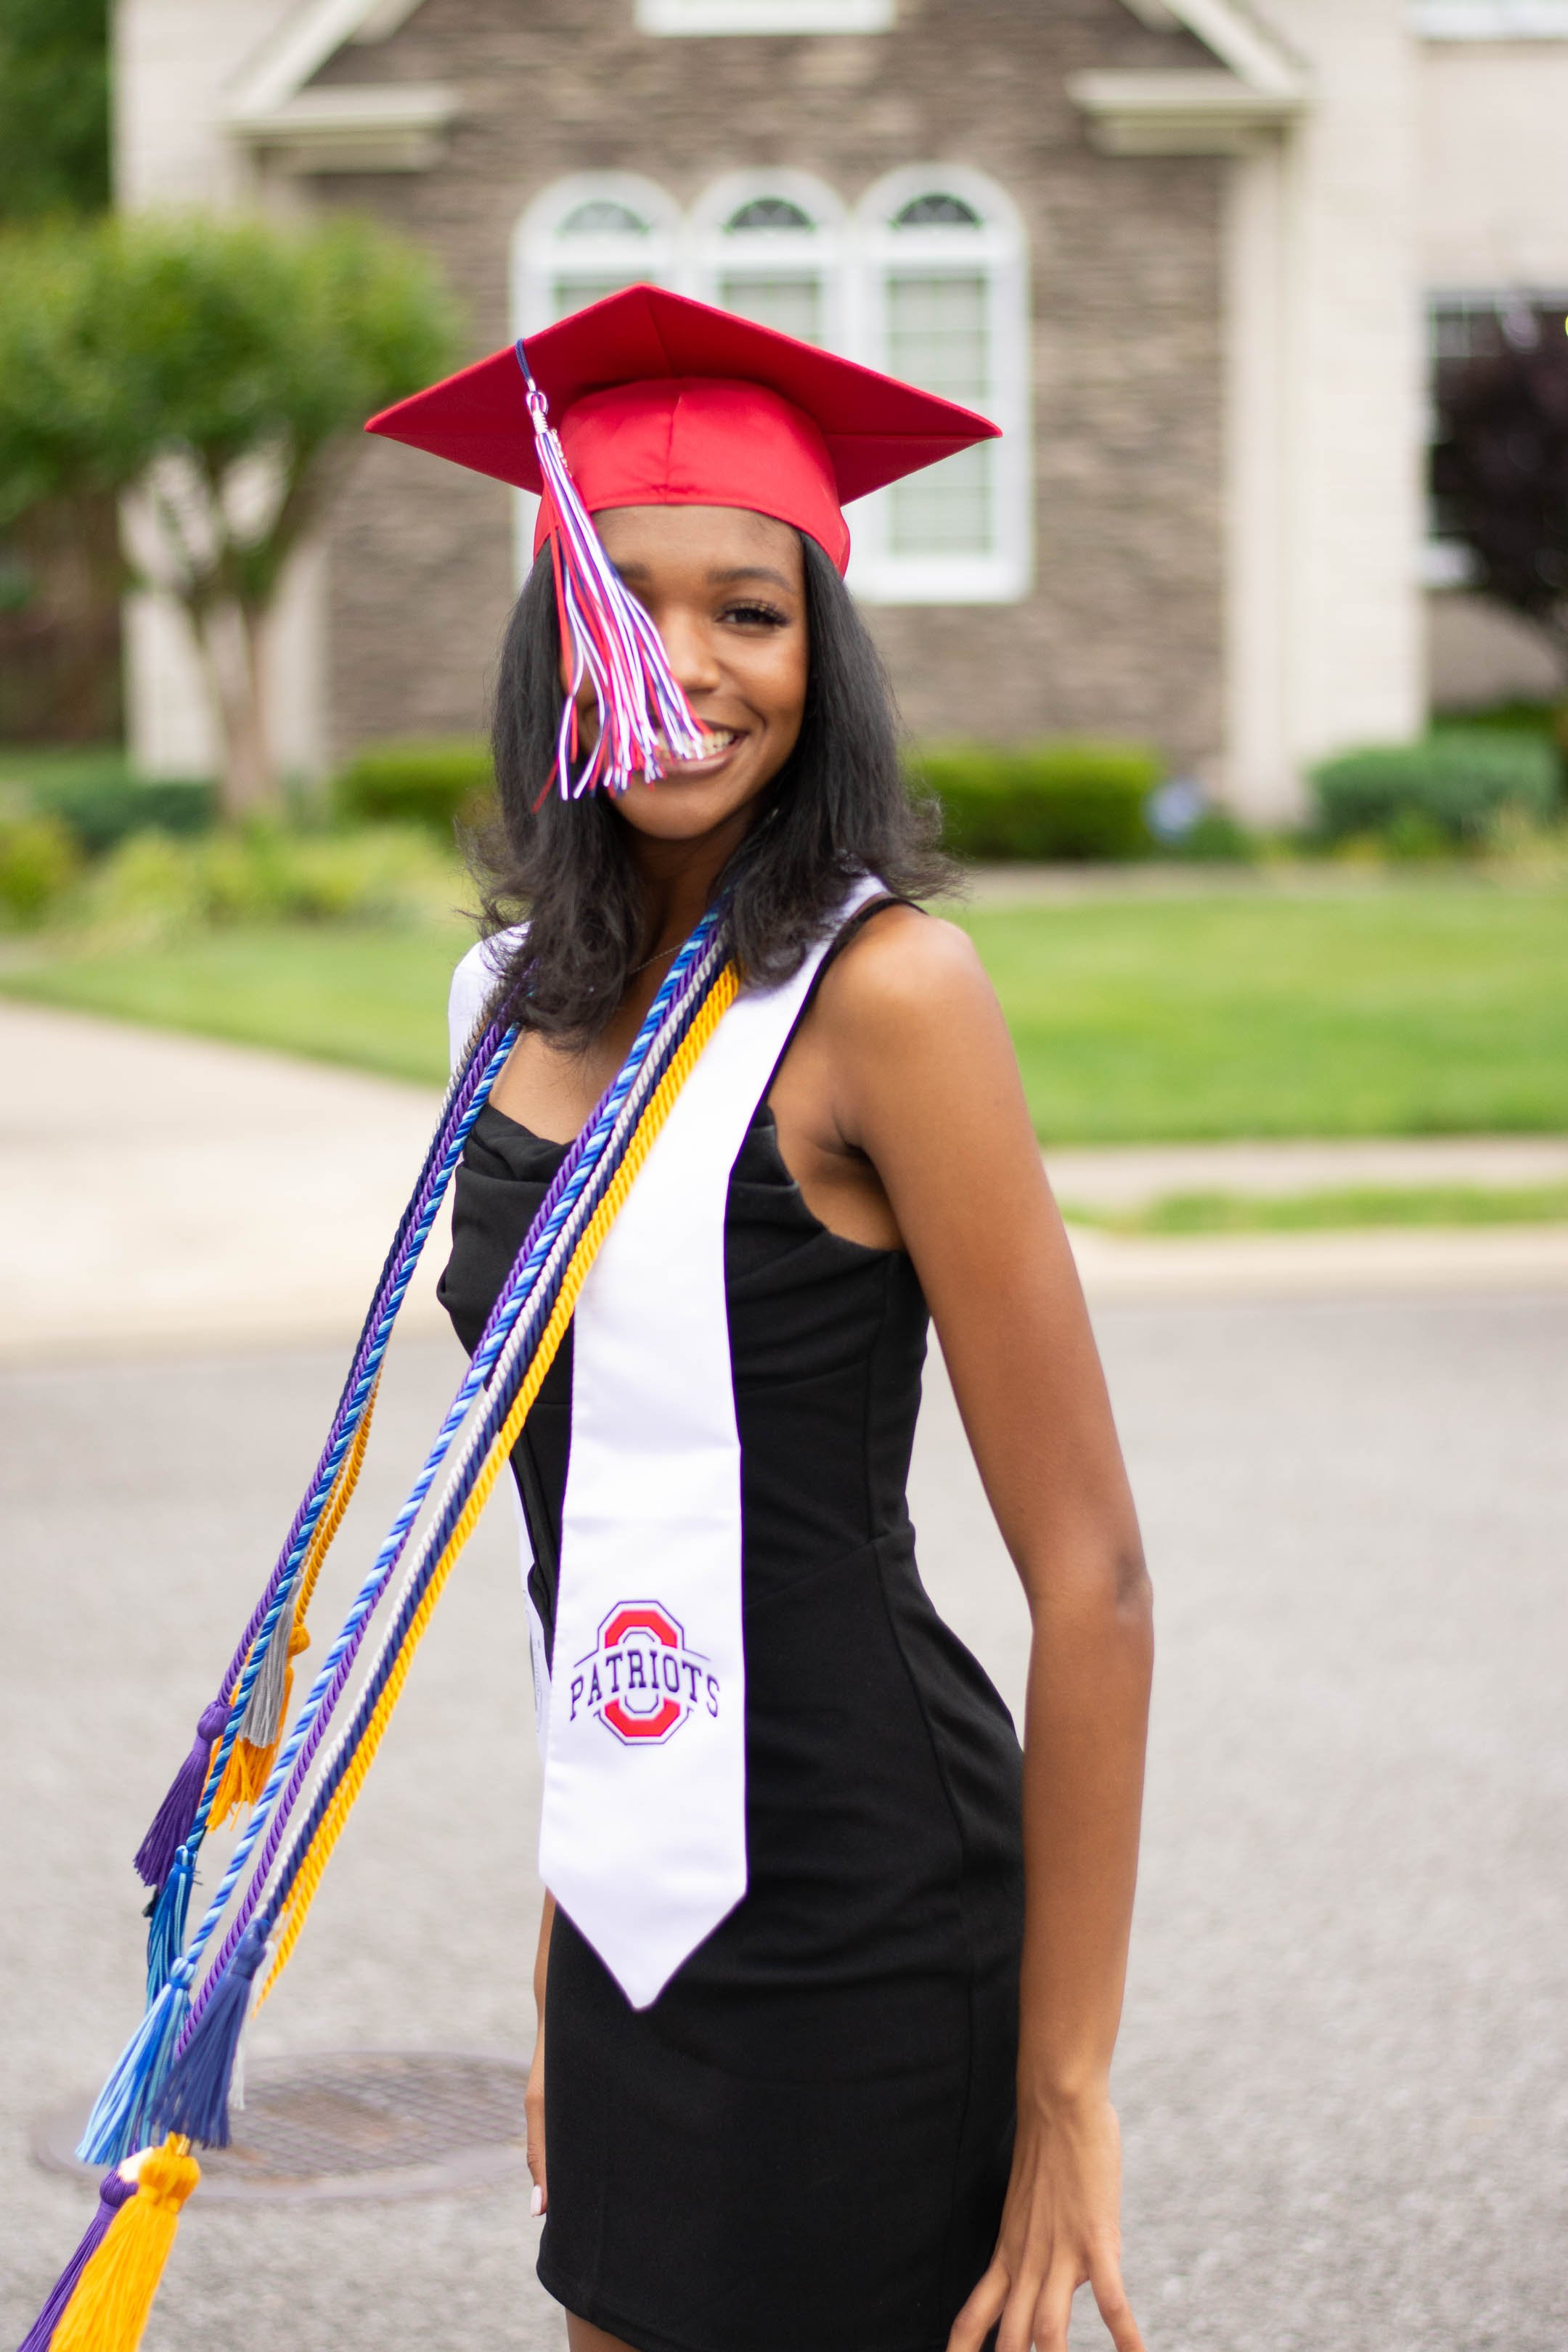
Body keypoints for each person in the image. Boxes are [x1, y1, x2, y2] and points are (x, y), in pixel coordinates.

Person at [374, 286, 1152, 2352]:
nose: (695, 667)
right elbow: (588, 1523)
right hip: (632, 1901)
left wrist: (1064, 2098)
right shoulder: (501, 1012)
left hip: (865, 1898)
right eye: (633, 601)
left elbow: (1094, 1576)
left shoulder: (889, 1003)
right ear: (559, 638)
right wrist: (567, 1944)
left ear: (826, 654)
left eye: (754, 610)